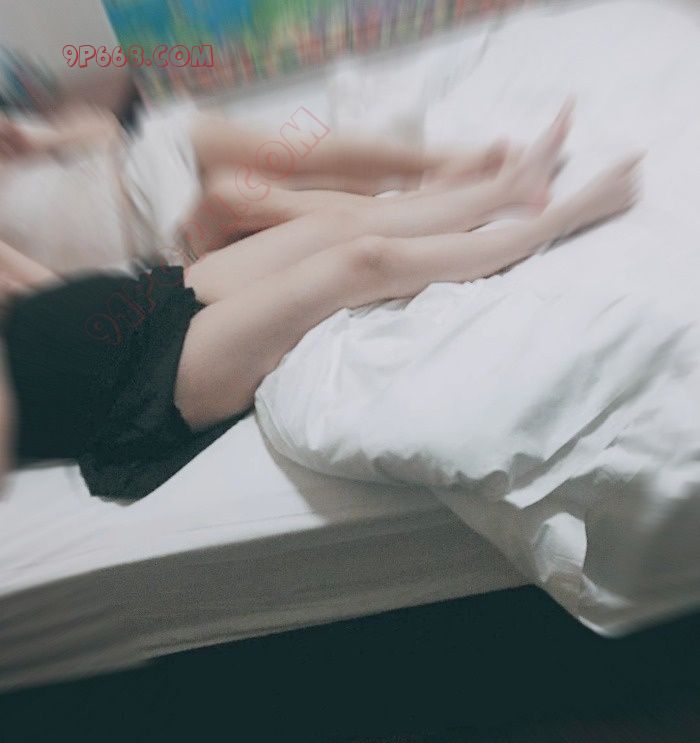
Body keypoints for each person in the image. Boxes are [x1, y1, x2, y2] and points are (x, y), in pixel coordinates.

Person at [0, 106, 642, 500]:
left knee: (338, 227)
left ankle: (508, 189)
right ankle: (550, 225)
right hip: (140, 383)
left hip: (135, 304)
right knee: (361, 263)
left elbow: (43, 296)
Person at [0, 102, 513, 275]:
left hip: (145, 162)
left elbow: (108, 131)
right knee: (242, 195)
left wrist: (37, 139)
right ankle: (423, 202)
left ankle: (435, 164)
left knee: (278, 146)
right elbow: (43, 295)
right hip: (151, 233)